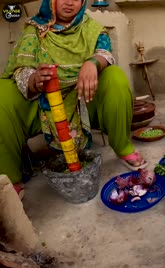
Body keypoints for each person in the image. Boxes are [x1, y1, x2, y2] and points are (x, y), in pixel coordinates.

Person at [0, 0, 148, 199]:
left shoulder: (92, 29)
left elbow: (105, 53)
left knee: (115, 77)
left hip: (84, 97)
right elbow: (21, 66)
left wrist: (92, 62)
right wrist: (34, 80)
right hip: (42, 102)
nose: (69, 2)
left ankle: (122, 146)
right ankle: (9, 177)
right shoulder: (34, 30)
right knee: (2, 93)